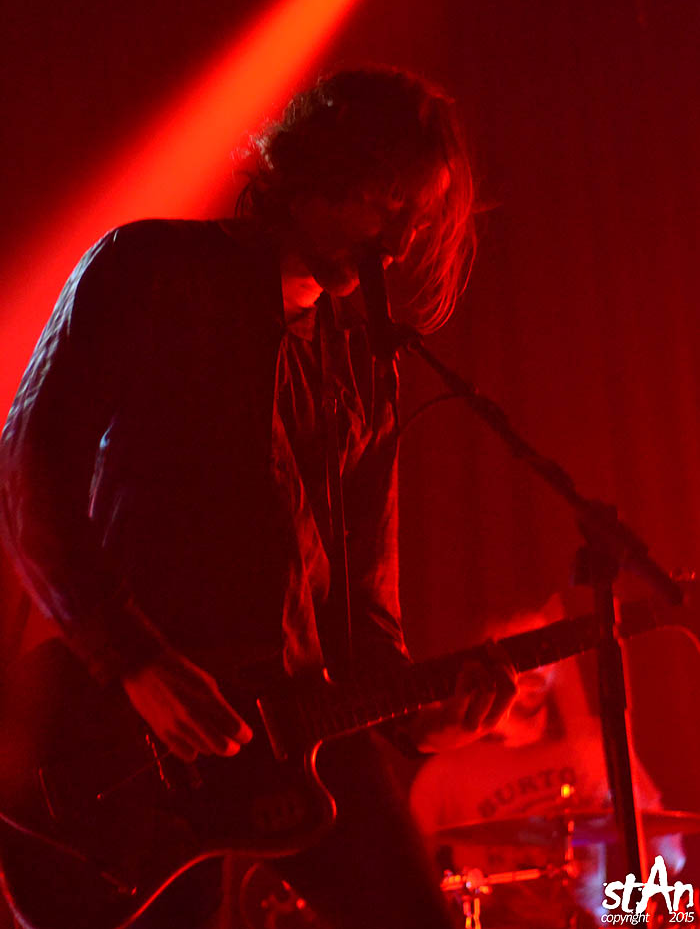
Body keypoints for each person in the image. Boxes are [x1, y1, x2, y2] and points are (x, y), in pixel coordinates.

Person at [0, 66, 516, 929]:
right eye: (384, 202)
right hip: (128, 737)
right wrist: (132, 660)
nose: (397, 242)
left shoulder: (365, 369)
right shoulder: (149, 269)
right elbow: (28, 466)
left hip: (300, 727)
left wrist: (427, 718)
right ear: (312, 170)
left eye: (417, 217)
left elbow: (363, 619)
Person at [410, 595, 685, 927]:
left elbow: (668, 856)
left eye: (543, 651)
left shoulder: (593, 753)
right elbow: (406, 877)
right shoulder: (444, 772)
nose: (535, 668)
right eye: (518, 652)